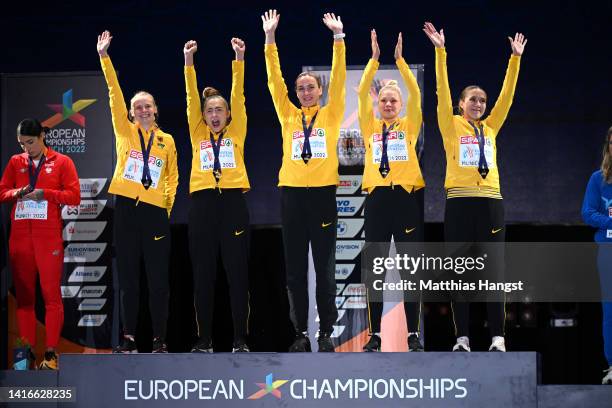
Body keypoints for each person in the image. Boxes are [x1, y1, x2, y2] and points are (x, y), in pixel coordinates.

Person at [423, 22, 527, 352]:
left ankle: (498, 337)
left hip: (491, 204)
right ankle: (462, 338)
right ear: (460, 103)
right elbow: (440, 89)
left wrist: (515, 60)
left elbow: (507, 98)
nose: (479, 104)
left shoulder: (491, 127)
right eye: (473, 99)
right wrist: (441, 51)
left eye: (482, 100)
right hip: (459, 204)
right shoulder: (450, 124)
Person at [262, 9, 345, 352]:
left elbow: (339, 79)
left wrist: (338, 39)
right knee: (295, 269)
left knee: (324, 269)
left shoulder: (331, 112)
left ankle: (325, 332)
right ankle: (301, 332)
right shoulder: (288, 115)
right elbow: (273, 80)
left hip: (323, 195)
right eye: (301, 88)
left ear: (320, 90)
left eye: (311, 87)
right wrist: (270, 39)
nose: (305, 92)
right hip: (292, 196)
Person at [97, 30, 179, 353]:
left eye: (147, 106)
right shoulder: (124, 132)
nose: (142, 110)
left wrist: (165, 206)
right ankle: (129, 336)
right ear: (130, 113)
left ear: (156, 110)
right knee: (128, 277)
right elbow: (114, 94)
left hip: (155, 213)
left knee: (158, 280)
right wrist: (105, 58)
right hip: (127, 211)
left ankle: (160, 339)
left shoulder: (167, 140)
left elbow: (173, 177)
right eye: (137, 107)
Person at [358, 30, 425, 352]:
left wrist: (399, 61)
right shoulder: (369, 126)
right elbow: (360, 95)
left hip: (406, 197)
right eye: (383, 99)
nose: (387, 104)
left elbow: (415, 91)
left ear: (400, 105)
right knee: (376, 268)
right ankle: (376, 335)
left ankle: (413, 334)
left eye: (393, 101)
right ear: (378, 103)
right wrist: (374, 59)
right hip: (377, 198)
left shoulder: (409, 125)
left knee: (410, 267)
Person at [183, 37, 251, 353]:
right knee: (204, 276)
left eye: (219, 110)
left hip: (233, 203)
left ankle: (239, 340)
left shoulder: (237, 131)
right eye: (209, 110)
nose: (214, 114)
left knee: (236, 274)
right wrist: (188, 62)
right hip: (202, 204)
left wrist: (239, 57)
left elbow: (238, 94)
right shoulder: (198, 133)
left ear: (227, 113)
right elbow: (188, 97)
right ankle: (205, 340)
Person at [0, 118, 80, 369]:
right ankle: (25, 353)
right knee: (24, 298)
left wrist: (46, 194)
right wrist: (17, 193)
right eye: (22, 144)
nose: (26, 149)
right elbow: (2, 192)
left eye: (30, 143)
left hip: (48, 238)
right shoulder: (16, 162)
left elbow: (74, 197)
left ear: (42, 137)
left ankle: (50, 353)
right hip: (20, 237)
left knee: (51, 296)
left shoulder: (62, 162)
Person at [581, 126, 612, 384]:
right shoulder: (597, 179)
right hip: (608, 251)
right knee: (610, 310)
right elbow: (588, 213)